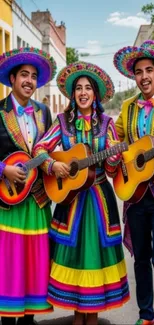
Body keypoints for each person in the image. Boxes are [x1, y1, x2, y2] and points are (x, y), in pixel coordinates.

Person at [33, 61, 130, 325]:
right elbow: (40, 148)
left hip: (98, 199)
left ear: (95, 94)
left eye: (88, 88)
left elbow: (111, 169)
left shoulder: (107, 124)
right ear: (72, 94)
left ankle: (92, 316)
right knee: (73, 257)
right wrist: (54, 165)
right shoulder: (62, 122)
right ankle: (78, 317)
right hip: (70, 201)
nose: (83, 92)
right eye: (78, 88)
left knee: (95, 258)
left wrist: (114, 156)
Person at [0, 47, 57, 325]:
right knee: (9, 264)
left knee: (35, 262)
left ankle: (29, 319)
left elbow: (47, 150)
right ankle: (6, 319)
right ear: (12, 79)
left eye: (34, 76)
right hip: (7, 203)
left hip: (36, 200)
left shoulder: (44, 112)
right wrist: (4, 169)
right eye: (24, 75)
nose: (29, 81)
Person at [113, 40, 154, 325]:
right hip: (137, 194)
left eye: (150, 69)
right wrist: (119, 155)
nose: (144, 76)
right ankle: (146, 315)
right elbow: (115, 139)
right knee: (141, 258)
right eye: (139, 72)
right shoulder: (127, 108)